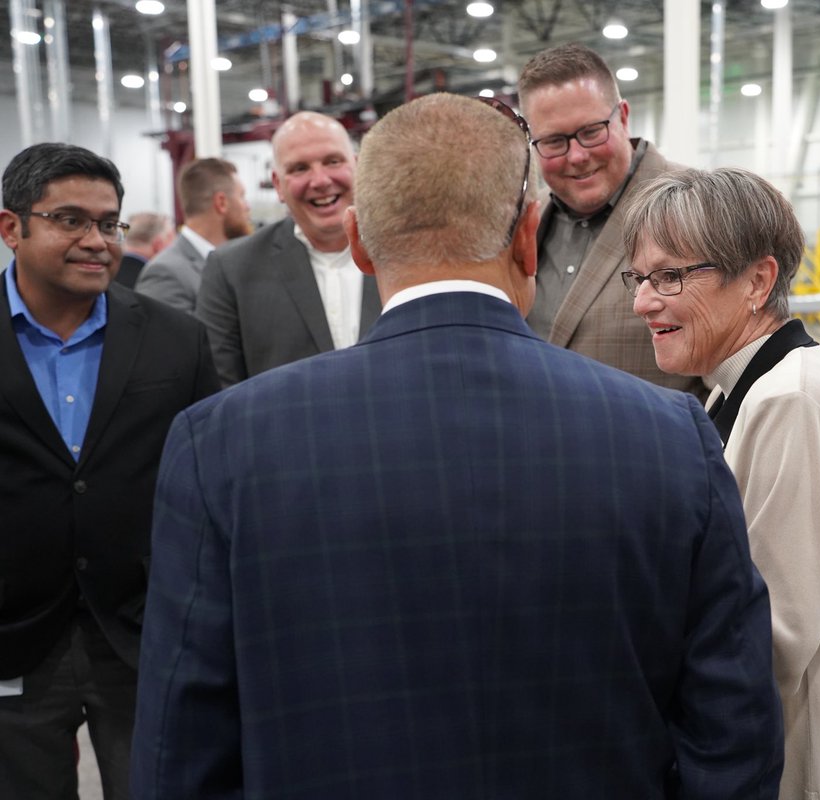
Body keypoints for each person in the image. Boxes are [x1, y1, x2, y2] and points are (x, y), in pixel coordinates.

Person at [132, 93, 784, 800]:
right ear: (528, 236)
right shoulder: (670, 436)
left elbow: (181, 752)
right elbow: (734, 731)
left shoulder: (222, 445)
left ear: (359, 243)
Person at [621, 166, 820, 800]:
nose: (643, 302)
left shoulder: (791, 401)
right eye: (639, 278)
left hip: (796, 764)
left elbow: (771, 640)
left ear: (757, 282)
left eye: (670, 276)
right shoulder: (742, 388)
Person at [0, 143, 219, 800]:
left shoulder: (176, 340)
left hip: (142, 631)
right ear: (11, 228)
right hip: (12, 636)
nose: (97, 241)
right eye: (70, 220)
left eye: (108, 223)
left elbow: (206, 486)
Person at [518, 43, 703, 397]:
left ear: (624, 117)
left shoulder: (697, 206)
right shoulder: (526, 221)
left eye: (591, 132)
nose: (576, 156)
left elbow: (732, 378)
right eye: (554, 141)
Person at [196, 111, 381, 386]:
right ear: (278, 185)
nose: (320, 180)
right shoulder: (231, 271)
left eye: (332, 161)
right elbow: (220, 390)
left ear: (357, 167)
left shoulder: (408, 252)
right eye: (299, 168)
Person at [135, 158, 253, 313]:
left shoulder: (232, 262)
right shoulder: (165, 273)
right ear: (221, 203)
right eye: (242, 196)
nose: (247, 206)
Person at [113, 212, 173, 288]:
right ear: (158, 244)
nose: (173, 245)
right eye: (171, 238)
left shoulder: (108, 273)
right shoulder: (157, 280)